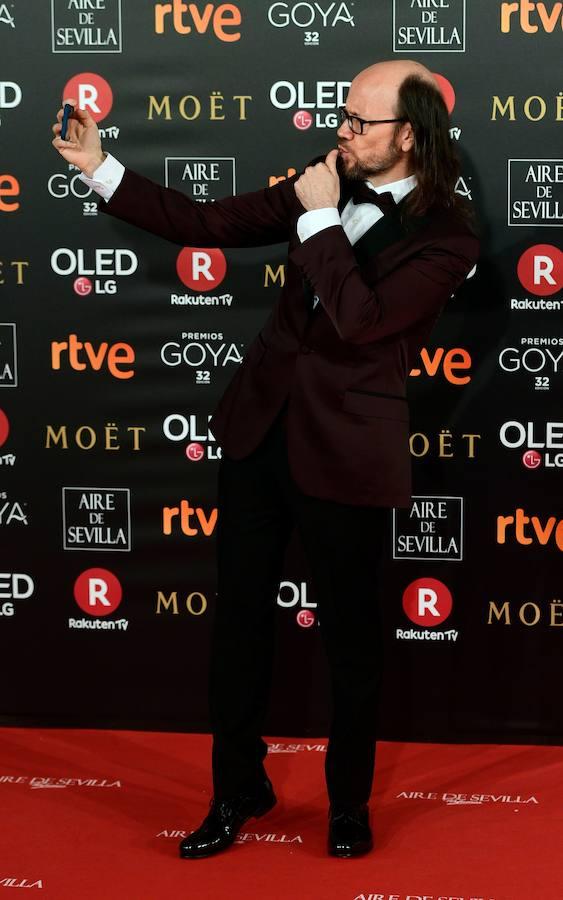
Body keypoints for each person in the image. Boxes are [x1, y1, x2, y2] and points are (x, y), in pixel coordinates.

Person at [52, 58, 479, 860]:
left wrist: (318, 222)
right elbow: (207, 223)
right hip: (258, 434)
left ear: (408, 136)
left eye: (358, 122)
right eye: (341, 116)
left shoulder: (447, 235)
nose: (341, 132)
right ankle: (236, 790)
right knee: (239, 628)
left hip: (346, 451)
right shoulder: (325, 177)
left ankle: (347, 804)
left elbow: (360, 321)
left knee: (351, 641)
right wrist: (99, 168)